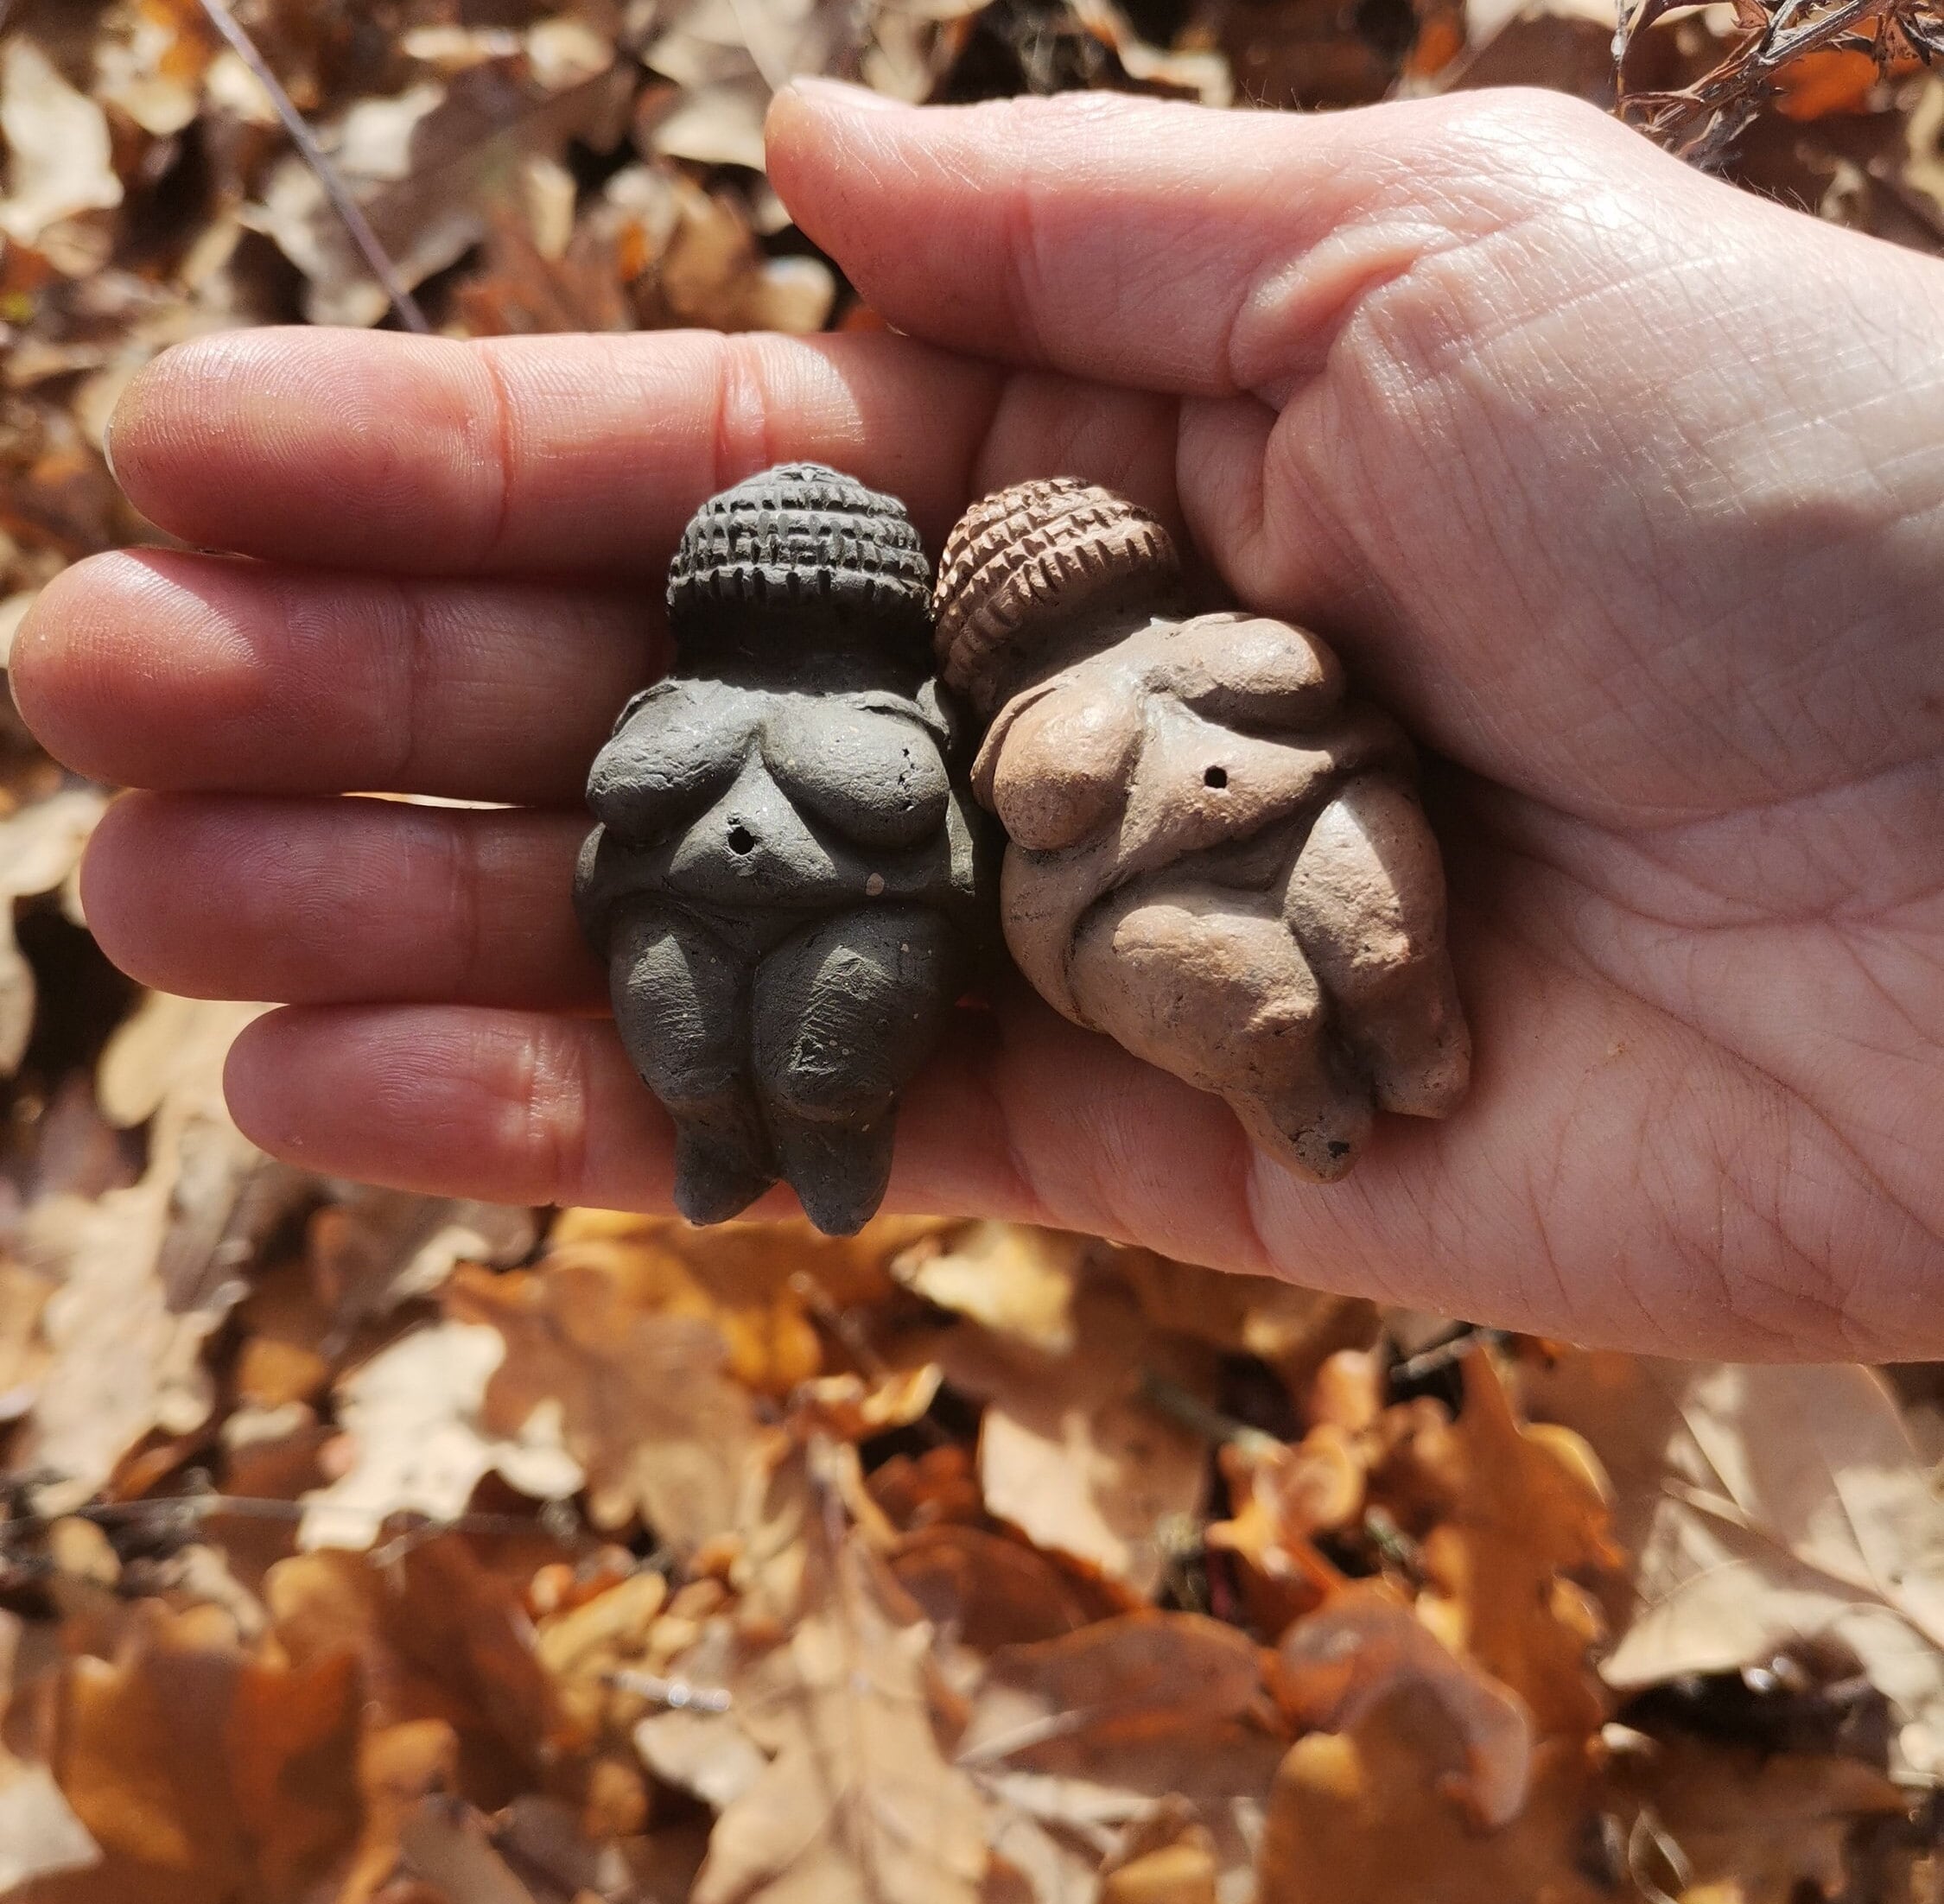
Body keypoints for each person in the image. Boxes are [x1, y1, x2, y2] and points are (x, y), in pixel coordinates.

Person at [10, 82, 1941, 1361]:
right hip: (834, 921)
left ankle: (1387, 1043)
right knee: (1006, 1012)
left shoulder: (1208, 652)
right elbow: (988, 894)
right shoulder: (773, 716)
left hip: (1254, 830)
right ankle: (774, 1125)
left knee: (1362, 937)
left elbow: (975, 868)